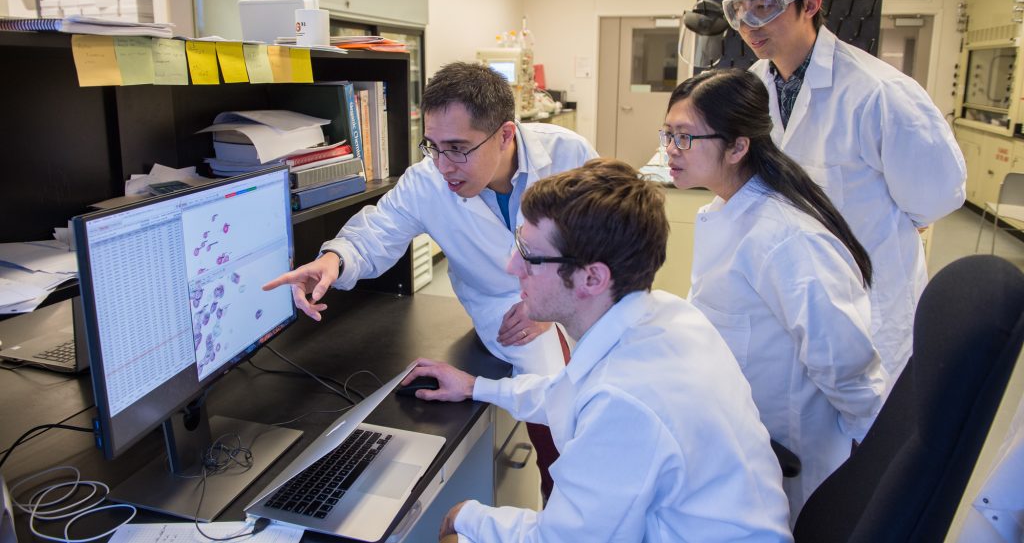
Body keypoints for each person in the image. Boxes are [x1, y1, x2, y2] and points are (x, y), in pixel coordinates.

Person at [406, 159, 793, 543]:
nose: (512, 267)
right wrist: (477, 387)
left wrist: (468, 516)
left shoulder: (624, 401)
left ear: (592, 277)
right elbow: (567, 393)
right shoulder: (669, 315)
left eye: (530, 255)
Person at [263, 61, 597, 498]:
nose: (444, 165)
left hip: (578, 298)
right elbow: (380, 230)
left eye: (458, 148)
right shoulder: (427, 180)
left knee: (600, 409)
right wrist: (333, 260)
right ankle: (564, 509)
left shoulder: (568, 155)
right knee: (558, 424)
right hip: (501, 308)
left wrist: (554, 305)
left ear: (505, 135)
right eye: (433, 146)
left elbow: (607, 238)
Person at [725, 0, 966, 382]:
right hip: (790, 296)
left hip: (866, 301)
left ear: (810, 4)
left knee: (864, 434)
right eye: (739, 7)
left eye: (764, 6)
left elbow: (936, 197)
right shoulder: (754, 87)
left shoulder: (879, 93)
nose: (748, 22)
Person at [662, 68, 887, 521]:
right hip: (741, 432)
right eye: (667, 134)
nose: (669, 150)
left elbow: (845, 364)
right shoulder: (724, 210)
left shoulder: (785, 238)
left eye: (684, 137)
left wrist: (875, 466)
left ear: (738, 146)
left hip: (790, 453)